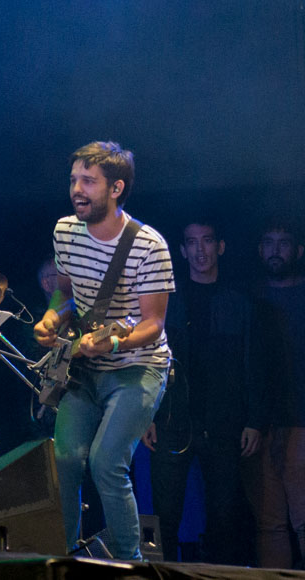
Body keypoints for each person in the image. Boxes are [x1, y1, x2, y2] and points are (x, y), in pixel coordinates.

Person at [34, 140, 174, 560]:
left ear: (116, 188)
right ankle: (63, 558)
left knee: (106, 462)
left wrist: (112, 341)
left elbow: (153, 324)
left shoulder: (149, 244)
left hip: (137, 367)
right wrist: (52, 318)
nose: (77, 189)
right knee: (65, 459)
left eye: (88, 181)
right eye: (73, 180)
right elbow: (65, 295)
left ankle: (130, 562)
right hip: (85, 371)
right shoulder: (64, 231)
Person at [141, 218, 263, 564]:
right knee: (163, 515)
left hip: (223, 423)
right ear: (182, 250)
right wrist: (146, 414)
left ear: (220, 247)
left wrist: (254, 420)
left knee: (224, 517)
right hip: (172, 420)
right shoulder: (167, 302)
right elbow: (148, 360)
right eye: (192, 242)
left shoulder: (239, 302)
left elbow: (252, 363)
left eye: (207, 241)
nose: (200, 250)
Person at [252, 219, 305, 568]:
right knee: (268, 524)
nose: (275, 250)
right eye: (269, 242)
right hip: (259, 425)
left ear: (298, 250)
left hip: (301, 420)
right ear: (260, 250)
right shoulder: (249, 296)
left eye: (283, 243)